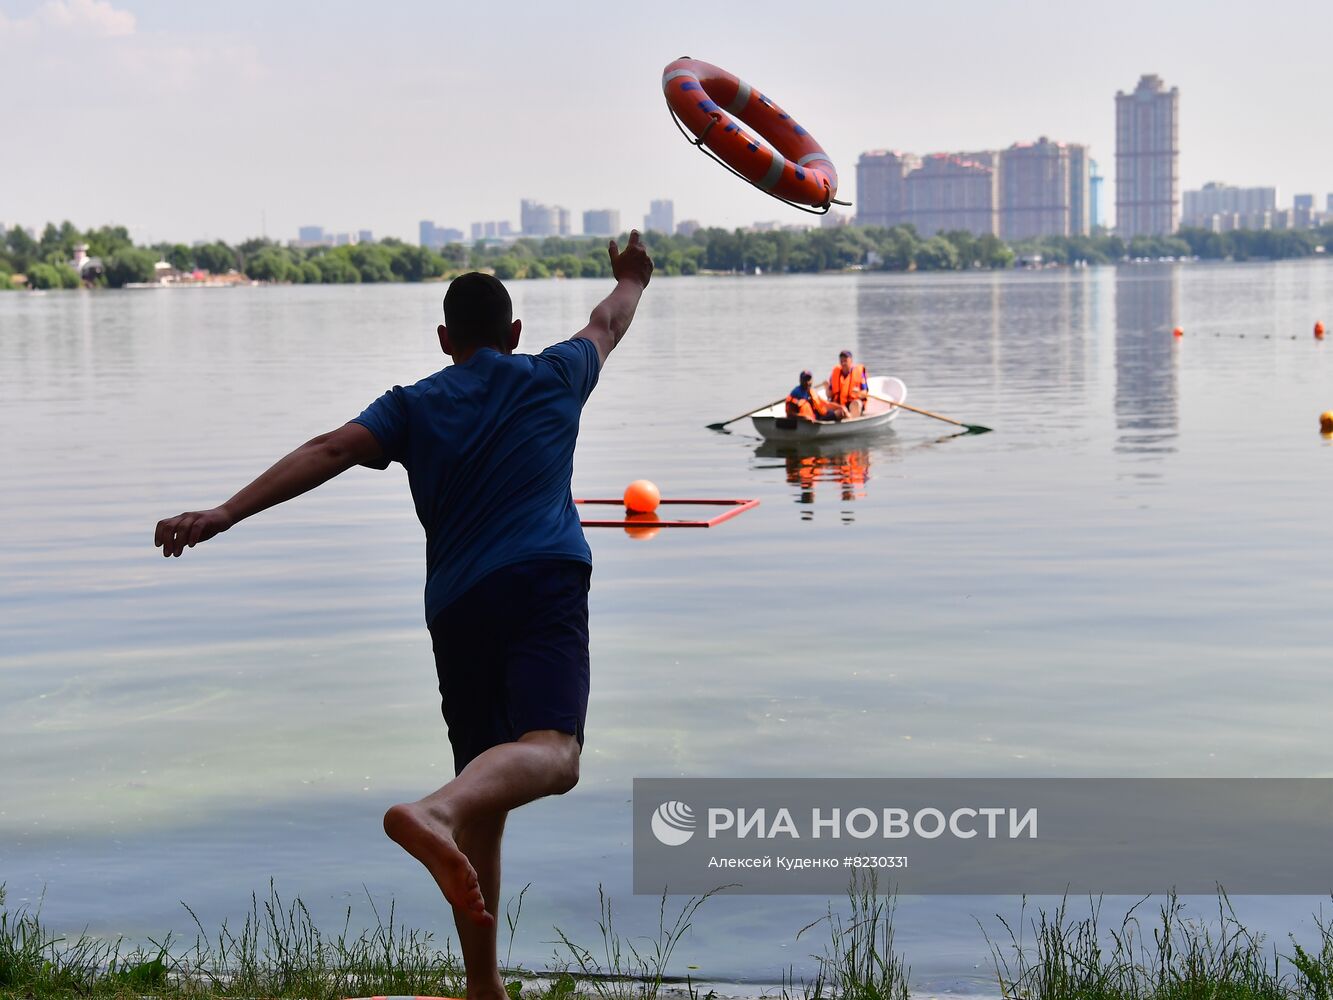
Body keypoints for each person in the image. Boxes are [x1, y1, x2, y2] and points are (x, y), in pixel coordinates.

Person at [153, 232, 655, 1000]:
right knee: (553, 756)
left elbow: (327, 450)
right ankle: (431, 812)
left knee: (481, 800)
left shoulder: (414, 404)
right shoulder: (554, 371)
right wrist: (632, 279)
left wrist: (226, 513)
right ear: (513, 334)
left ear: (445, 340)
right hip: (544, 579)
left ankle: (482, 986)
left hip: (457, 608)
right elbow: (607, 321)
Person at [828, 349, 869, 417]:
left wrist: (859, 393)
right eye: (841, 361)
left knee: (856, 403)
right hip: (840, 404)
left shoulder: (859, 373)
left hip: (853, 403)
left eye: (845, 361)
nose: (843, 363)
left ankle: (851, 420)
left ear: (851, 361)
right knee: (831, 406)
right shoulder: (835, 373)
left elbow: (865, 393)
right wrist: (826, 386)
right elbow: (829, 395)